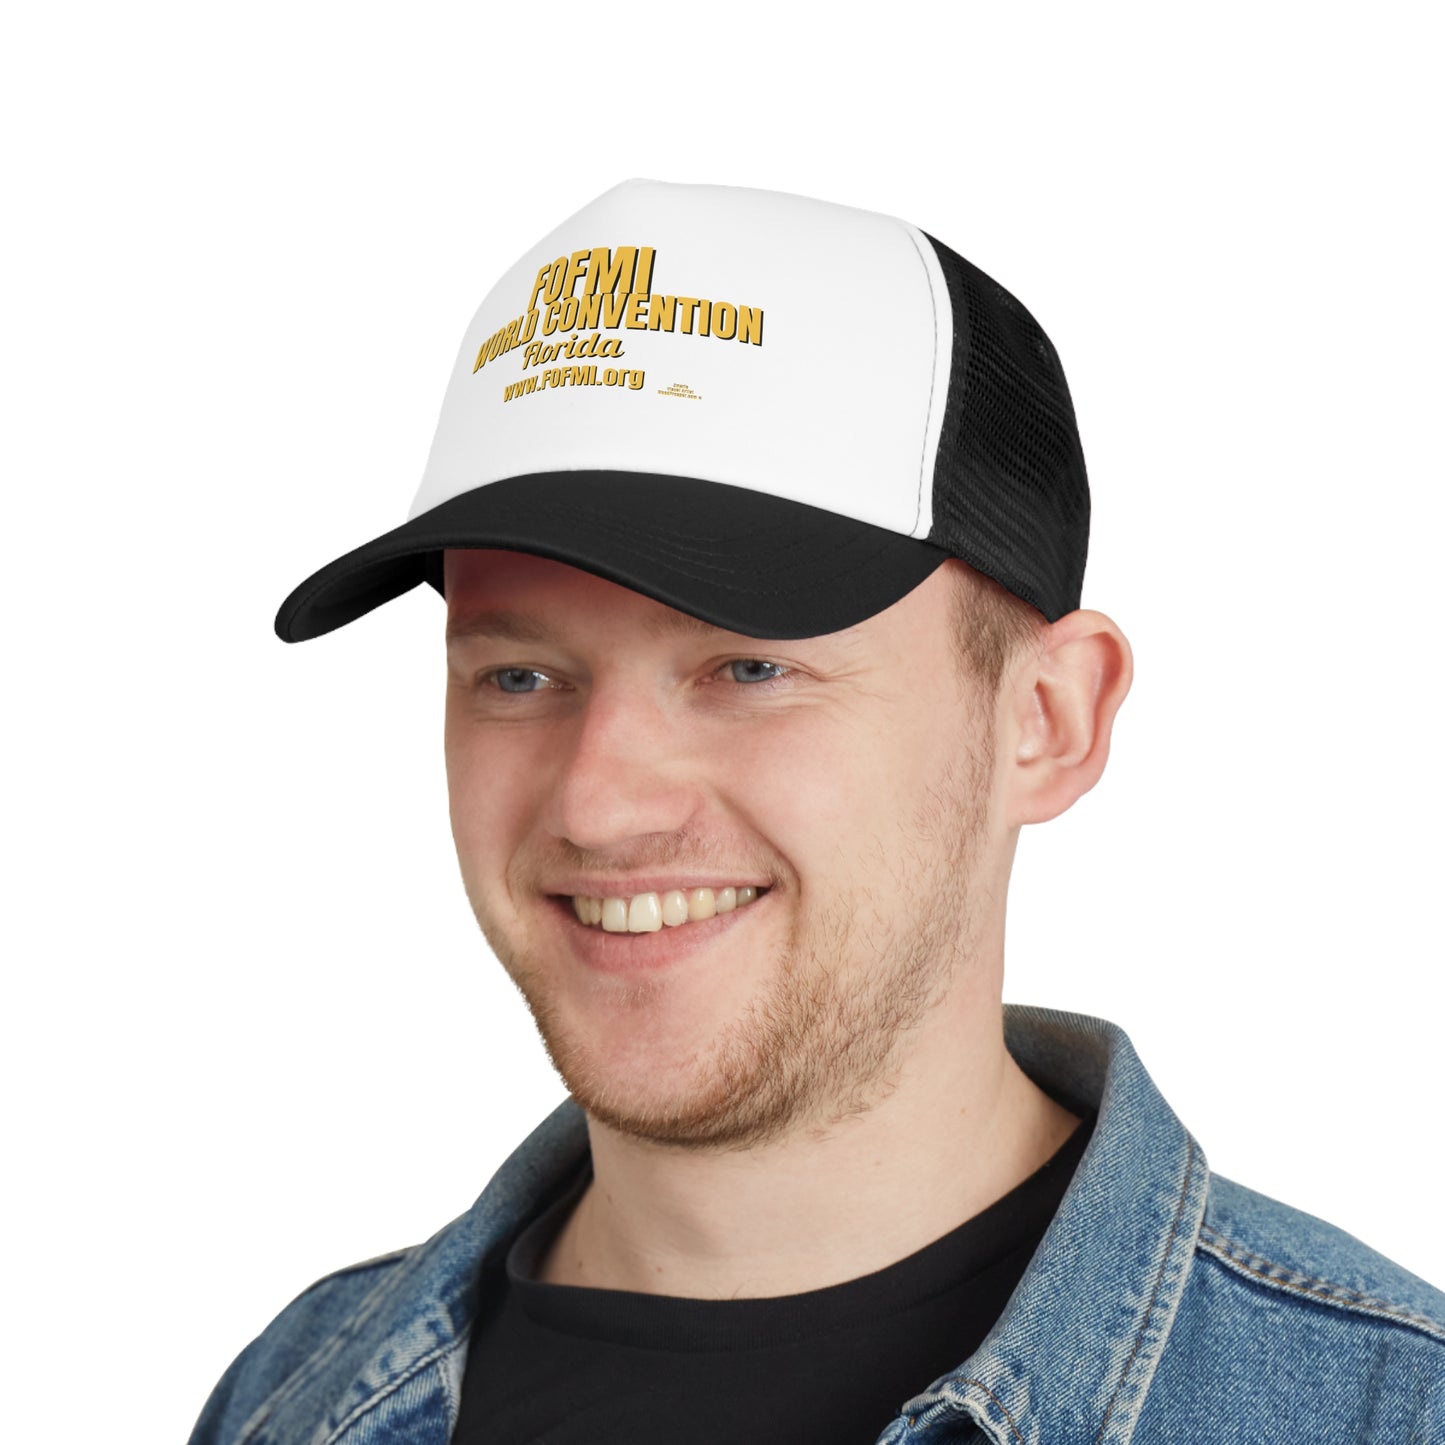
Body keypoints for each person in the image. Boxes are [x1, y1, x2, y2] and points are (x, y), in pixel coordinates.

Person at [189, 179, 1445, 1444]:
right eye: (518, 676)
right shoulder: (290, 1395)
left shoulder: (1386, 1412)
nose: (598, 802)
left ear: (1048, 718)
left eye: (748, 667)